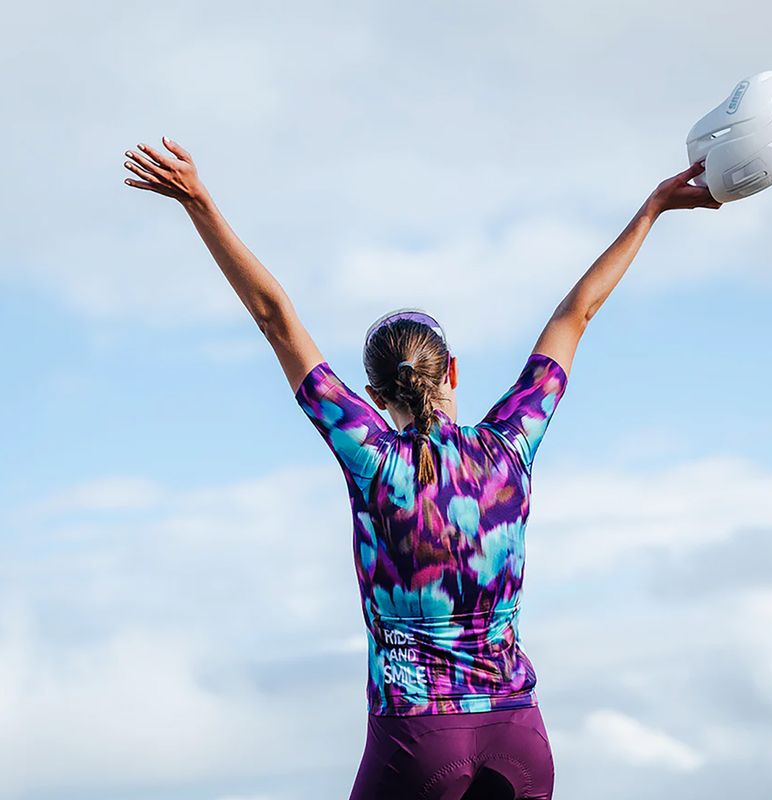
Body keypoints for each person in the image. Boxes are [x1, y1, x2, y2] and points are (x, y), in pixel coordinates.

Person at [123, 138, 721, 799]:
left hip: (416, 739)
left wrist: (200, 202)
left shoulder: (370, 456)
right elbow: (576, 314)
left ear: (376, 397)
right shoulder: (511, 445)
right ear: (454, 371)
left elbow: (275, 319)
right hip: (518, 734)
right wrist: (653, 208)